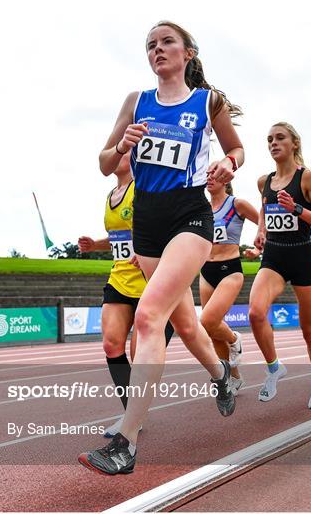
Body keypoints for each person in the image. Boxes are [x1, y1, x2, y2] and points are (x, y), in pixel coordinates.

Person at [78, 21, 244, 475]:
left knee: (149, 317)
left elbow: (237, 149)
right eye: (150, 45)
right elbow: (103, 162)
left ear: (188, 52)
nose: (158, 49)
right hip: (146, 222)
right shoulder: (137, 102)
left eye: (166, 41)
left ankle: (125, 443)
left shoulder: (206, 102)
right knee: (187, 324)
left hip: (189, 214)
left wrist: (227, 164)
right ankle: (222, 374)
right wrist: (121, 147)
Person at [78, 152, 174, 438]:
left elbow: (169, 229)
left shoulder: (144, 188)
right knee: (111, 345)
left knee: (140, 356)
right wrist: (96, 245)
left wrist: (148, 250)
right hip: (119, 279)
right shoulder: (111, 196)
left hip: (151, 282)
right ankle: (132, 416)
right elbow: (121, 238)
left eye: (125, 152)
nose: (117, 156)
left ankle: (134, 416)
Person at [248, 122, 311, 410]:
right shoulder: (264, 181)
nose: (273, 143)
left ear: (294, 143)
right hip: (274, 256)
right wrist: (260, 230)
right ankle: (273, 368)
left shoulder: (307, 178)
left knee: (309, 330)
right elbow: (264, 208)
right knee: (256, 313)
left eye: (280, 138)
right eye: (269, 139)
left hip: (301, 256)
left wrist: (296, 208)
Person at [200, 178, 259, 394]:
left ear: (226, 179)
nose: (210, 178)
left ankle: (235, 339)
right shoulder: (201, 207)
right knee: (212, 331)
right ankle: (232, 378)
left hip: (230, 269)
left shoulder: (237, 204)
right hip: (206, 271)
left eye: (215, 174)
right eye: (207, 174)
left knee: (207, 320)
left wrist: (259, 245)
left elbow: (264, 221)